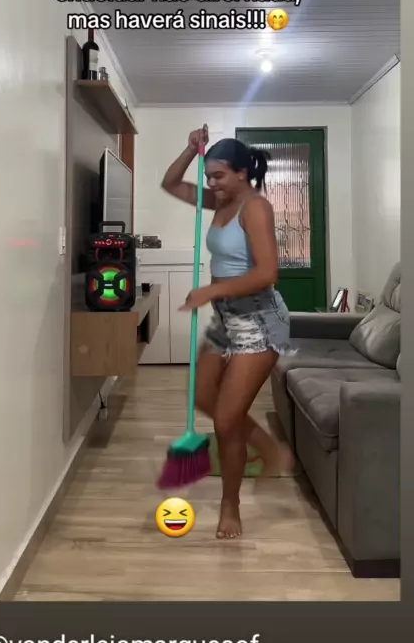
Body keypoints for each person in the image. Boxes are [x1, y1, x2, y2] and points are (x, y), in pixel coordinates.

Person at [161, 125, 295, 539]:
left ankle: (230, 505)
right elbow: (170, 184)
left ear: (241, 173)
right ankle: (269, 449)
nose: (212, 183)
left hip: (259, 320)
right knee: (203, 396)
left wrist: (211, 290)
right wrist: (191, 150)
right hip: (227, 318)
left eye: (219, 175)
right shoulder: (220, 200)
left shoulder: (255, 208)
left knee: (225, 420)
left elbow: (267, 273)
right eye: (209, 176)